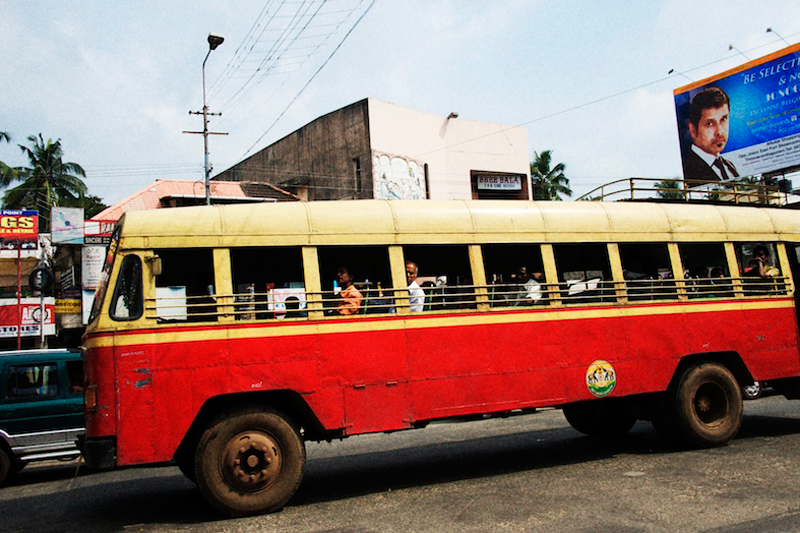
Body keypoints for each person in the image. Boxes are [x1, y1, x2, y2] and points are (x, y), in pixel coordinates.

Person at [682, 86, 739, 182]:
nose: (720, 132)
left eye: (723, 119)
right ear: (693, 130)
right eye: (709, 124)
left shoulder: (728, 165)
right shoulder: (690, 169)